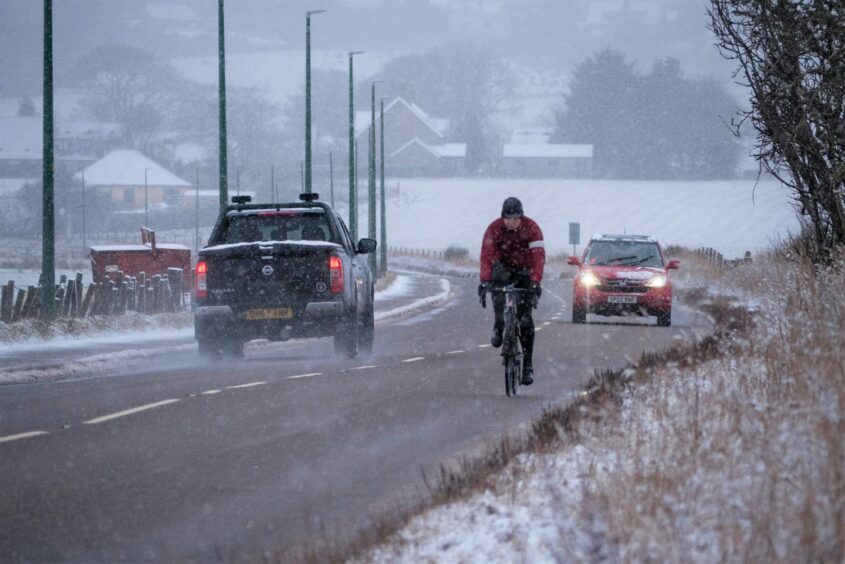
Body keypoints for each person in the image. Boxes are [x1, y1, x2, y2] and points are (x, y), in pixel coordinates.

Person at [478, 197, 545, 385]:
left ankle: (527, 366)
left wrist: (535, 281)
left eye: (516, 219)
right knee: (498, 287)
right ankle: (499, 323)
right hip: (503, 269)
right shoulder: (494, 229)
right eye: (508, 219)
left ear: (521, 217)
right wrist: (484, 281)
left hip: (525, 271)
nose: (512, 222)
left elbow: (538, 258)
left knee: (525, 321)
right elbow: (486, 255)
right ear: (502, 217)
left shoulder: (532, 229)